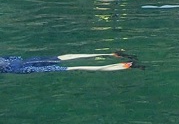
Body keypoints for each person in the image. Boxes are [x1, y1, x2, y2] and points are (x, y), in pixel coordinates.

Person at [1, 52, 137, 74]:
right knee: (63, 58)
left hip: (17, 68)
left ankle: (124, 66)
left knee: (71, 68)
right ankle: (111, 54)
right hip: (16, 61)